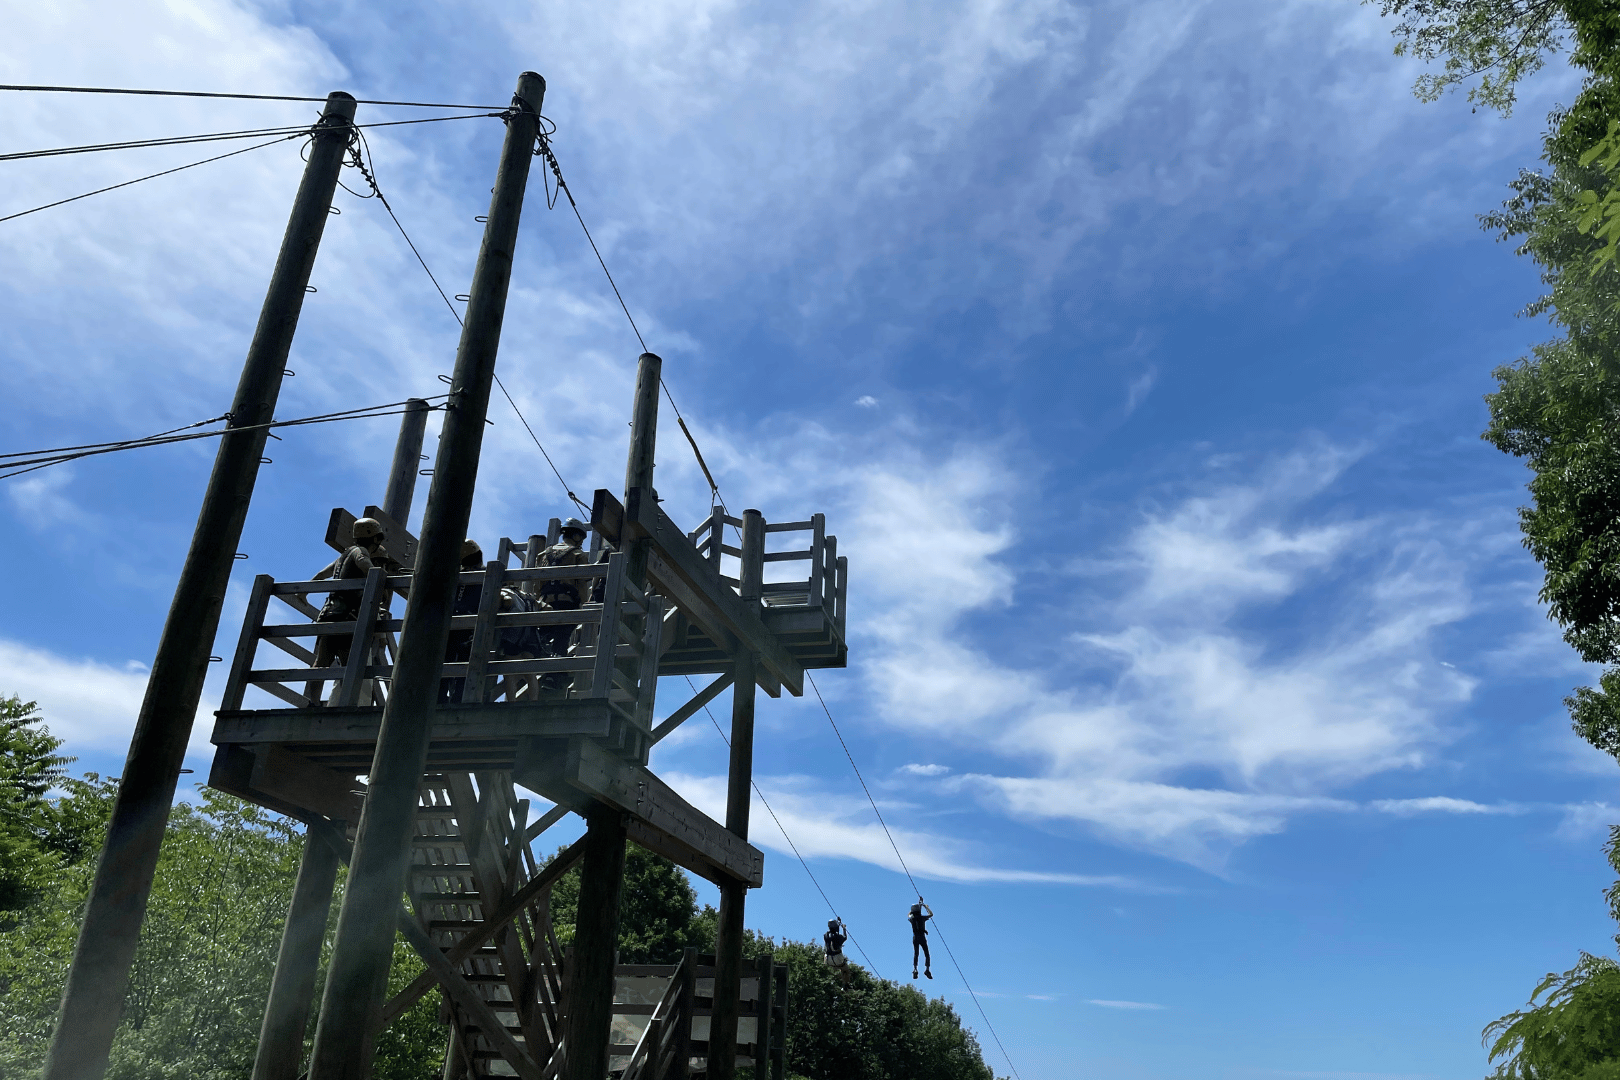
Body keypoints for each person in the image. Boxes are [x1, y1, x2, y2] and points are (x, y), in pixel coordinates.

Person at [306, 517, 391, 705]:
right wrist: (381, 585)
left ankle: (312, 702)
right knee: (348, 664)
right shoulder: (360, 552)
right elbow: (365, 565)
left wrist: (304, 592)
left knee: (322, 661)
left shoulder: (344, 555)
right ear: (373, 537)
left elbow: (322, 574)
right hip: (347, 617)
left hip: (330, 613)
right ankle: (345, 704)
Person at [533, 518, 590, 690]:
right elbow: (581, 584)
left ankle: (538, 663)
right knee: (562, 639)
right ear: (576, 536)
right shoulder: (578, 555)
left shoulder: (543, 555)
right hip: (567, 603)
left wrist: (537, 603)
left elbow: (537, 584)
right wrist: (584, 604)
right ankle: (553, 677)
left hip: (546, 603)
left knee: (541, 636)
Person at [438, 539, 485, 704]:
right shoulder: (484, 574)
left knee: (447, 659)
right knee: (465, 661)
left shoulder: (455, 575)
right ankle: (458, 697)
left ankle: (441, 697)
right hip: (471, 625)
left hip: (452, 624)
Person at [908, 900, 934, 980]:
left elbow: (909, 915)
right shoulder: (922, 918)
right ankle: (927, 969)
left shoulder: (912, 919)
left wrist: (917, 907)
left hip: (915, 937)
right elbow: (931, 914)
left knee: (916, 953)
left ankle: (915, 969)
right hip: (922, 937)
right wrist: (925, 907)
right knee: (927, 953)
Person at [822, 918, 851, 988]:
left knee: (835, 968)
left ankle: (833, 982)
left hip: (828, 959)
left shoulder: (825, 935)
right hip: (837, 958)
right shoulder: (838, 937)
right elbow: (845, 937)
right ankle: (845, 985)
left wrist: (839, 922)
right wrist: (844, 929)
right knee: (845, 969)